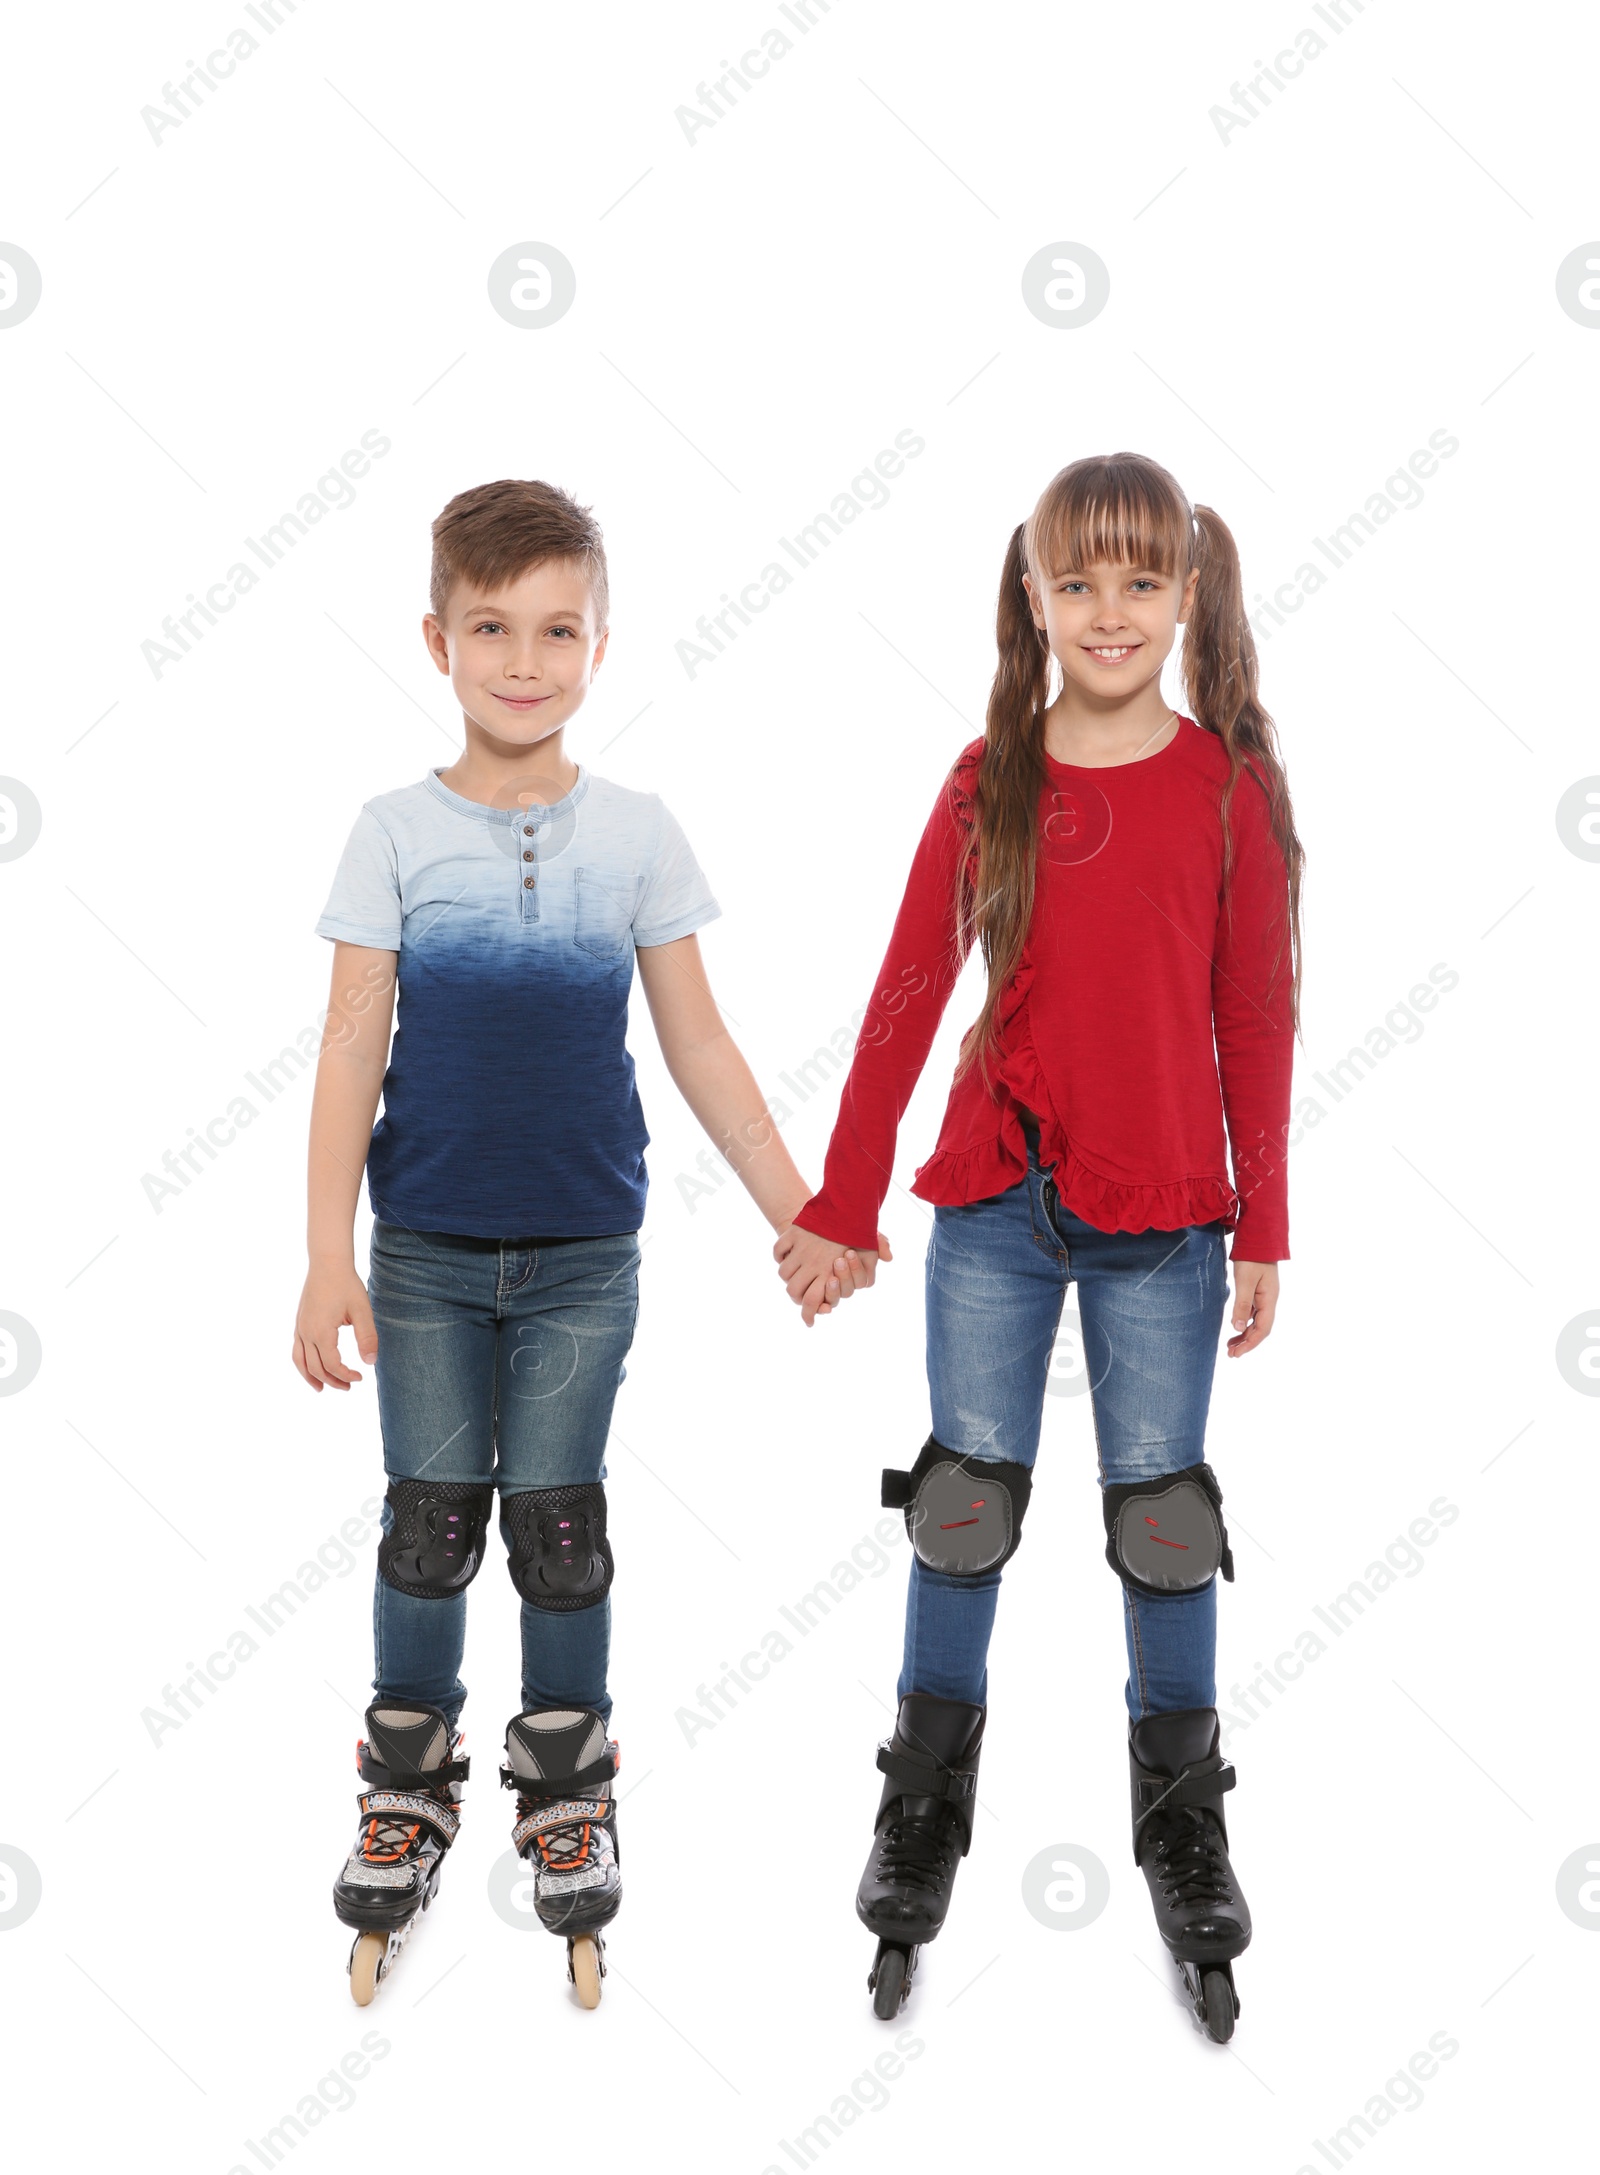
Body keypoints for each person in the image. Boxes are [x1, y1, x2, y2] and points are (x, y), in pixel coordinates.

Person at [774, 452, 1304, 2038]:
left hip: (1166, 1223)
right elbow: (901, 997)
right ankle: (922, 1806)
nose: (1111, 612)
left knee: (1161, 1522)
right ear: (1033, 595)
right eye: (1078, 582)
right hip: (996, 1206)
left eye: (1144, 581)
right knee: (961, 1507)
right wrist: (843, 1202)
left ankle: (1184, 1825)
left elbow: (1255, 1022)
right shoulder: (988, 780)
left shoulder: (1227, 791)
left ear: (1190, 594)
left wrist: (1264, 1218)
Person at [294, 478, 837, 2007]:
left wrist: (799, 1209)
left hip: (587, 1252)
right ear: (436, 639)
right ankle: (406, 1781)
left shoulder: (639, 835)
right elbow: (348, 1051)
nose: (522, 660)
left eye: (556, 630)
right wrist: (327, 1255)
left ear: (601, 645)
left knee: (557, 1525)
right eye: (490, 629)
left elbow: (703, 1045)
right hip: (425, 1252)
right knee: (427, 1521)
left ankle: (566, 1784)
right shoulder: (393, 834)